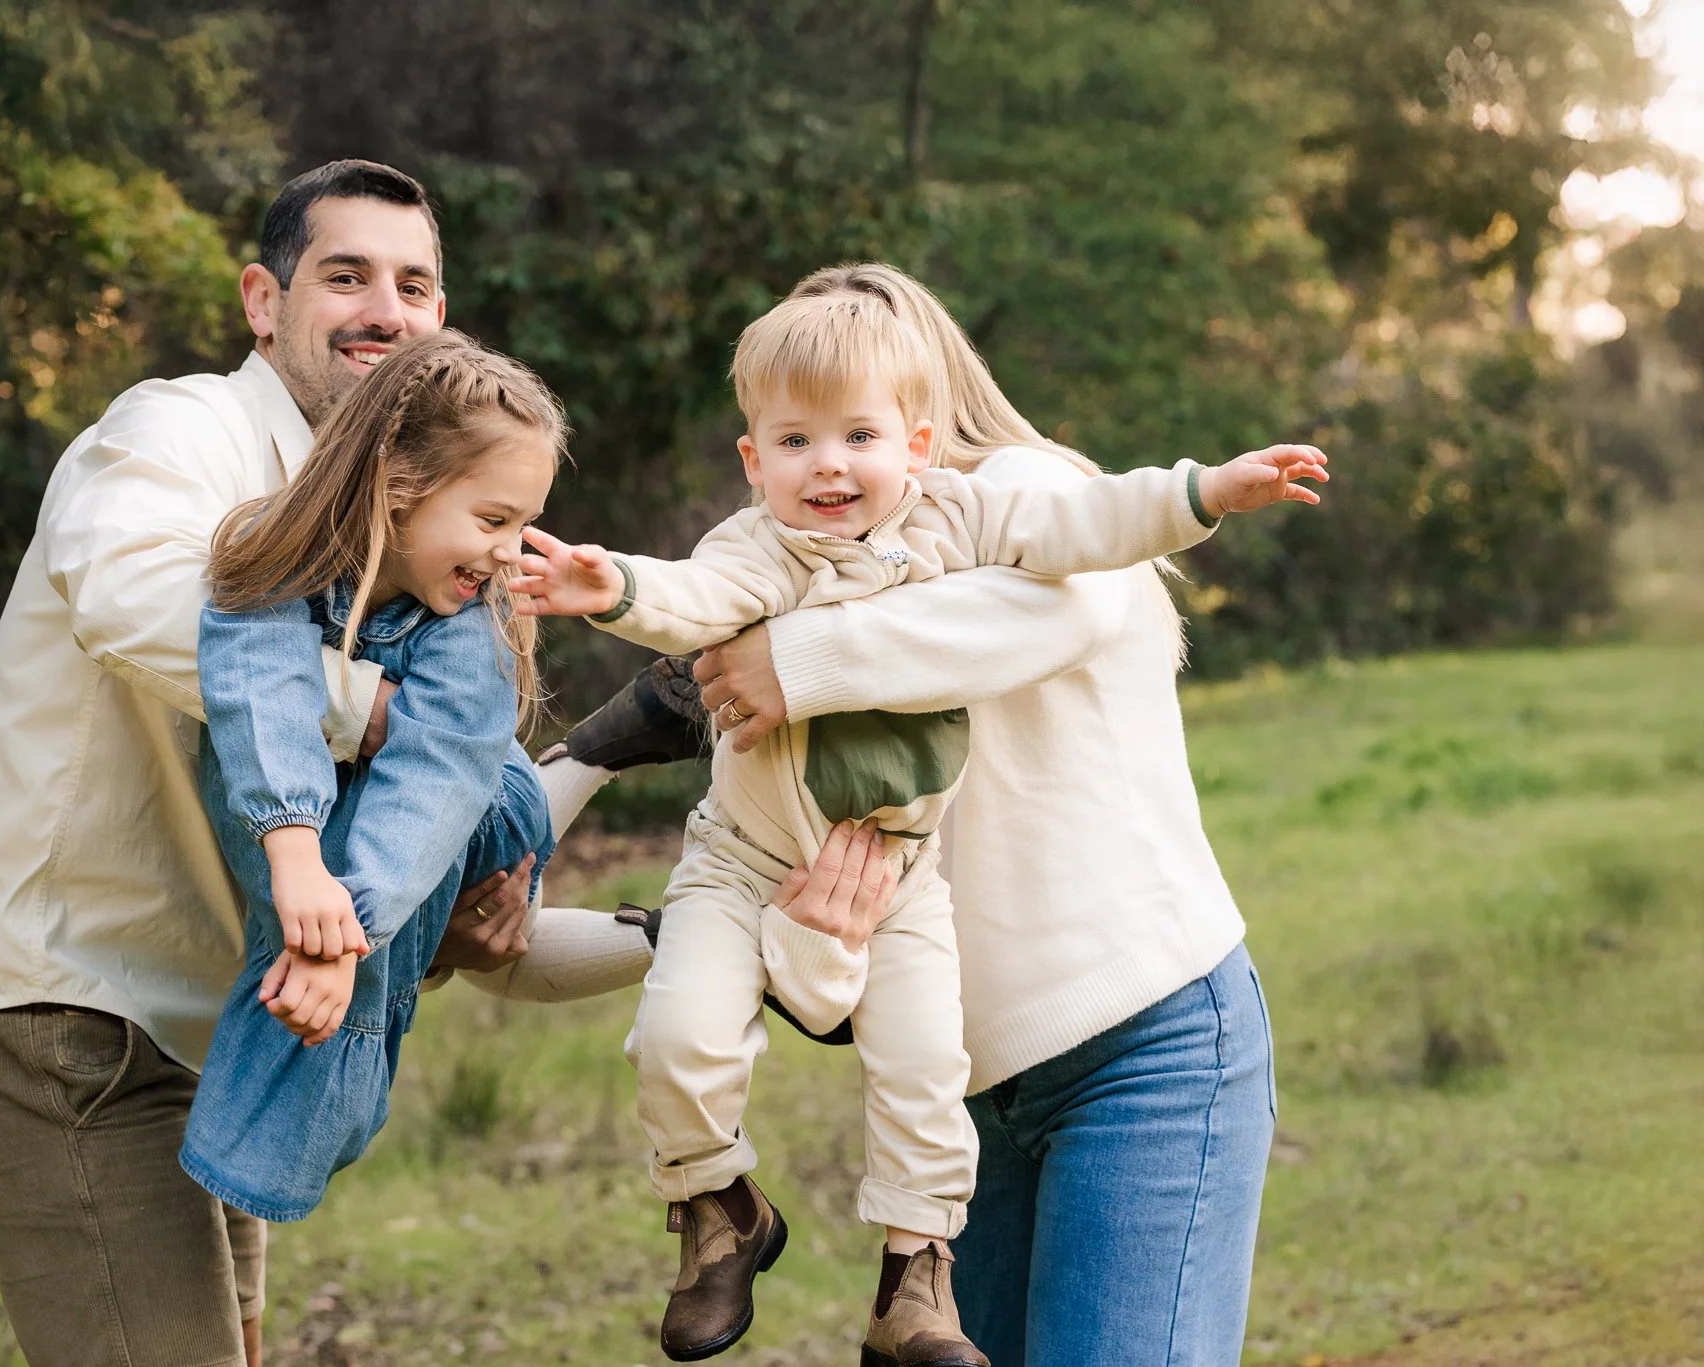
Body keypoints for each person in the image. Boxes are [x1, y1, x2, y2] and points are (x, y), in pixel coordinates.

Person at [515, 289, 1326, 1366]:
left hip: (1144, 1040)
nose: (830, 455)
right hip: (978, 1078)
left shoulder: (1015, 493)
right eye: (797, 429)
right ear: (757, 448)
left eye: (857, 416)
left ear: (920, 400)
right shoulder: (795, 553)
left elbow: (1072, 600)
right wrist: (801, 936)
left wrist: (789, 664)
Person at [0, 160, 599, 1367]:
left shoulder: (408, 531)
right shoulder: (177, 431)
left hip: (225, 1030)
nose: (388, 308)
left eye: (416, 284)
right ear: (261, 303)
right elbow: (137, 601)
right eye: (346, 275)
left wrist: (450, 889)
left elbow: (421, 796)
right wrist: (380, 711)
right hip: (65, 1017)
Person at [179, 331, 566, 1221]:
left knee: (351, 890)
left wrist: (340, 933)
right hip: (351, 815)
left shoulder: (474, 614)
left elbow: (439, 773)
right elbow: (258, 691)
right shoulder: (275, 546)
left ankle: (319, 1053)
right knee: (272, 784)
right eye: (493, 520)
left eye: (522, 525)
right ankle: (594, 765)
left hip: (480, 801)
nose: (511, 552)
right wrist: (297, 860)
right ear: (398, 489)